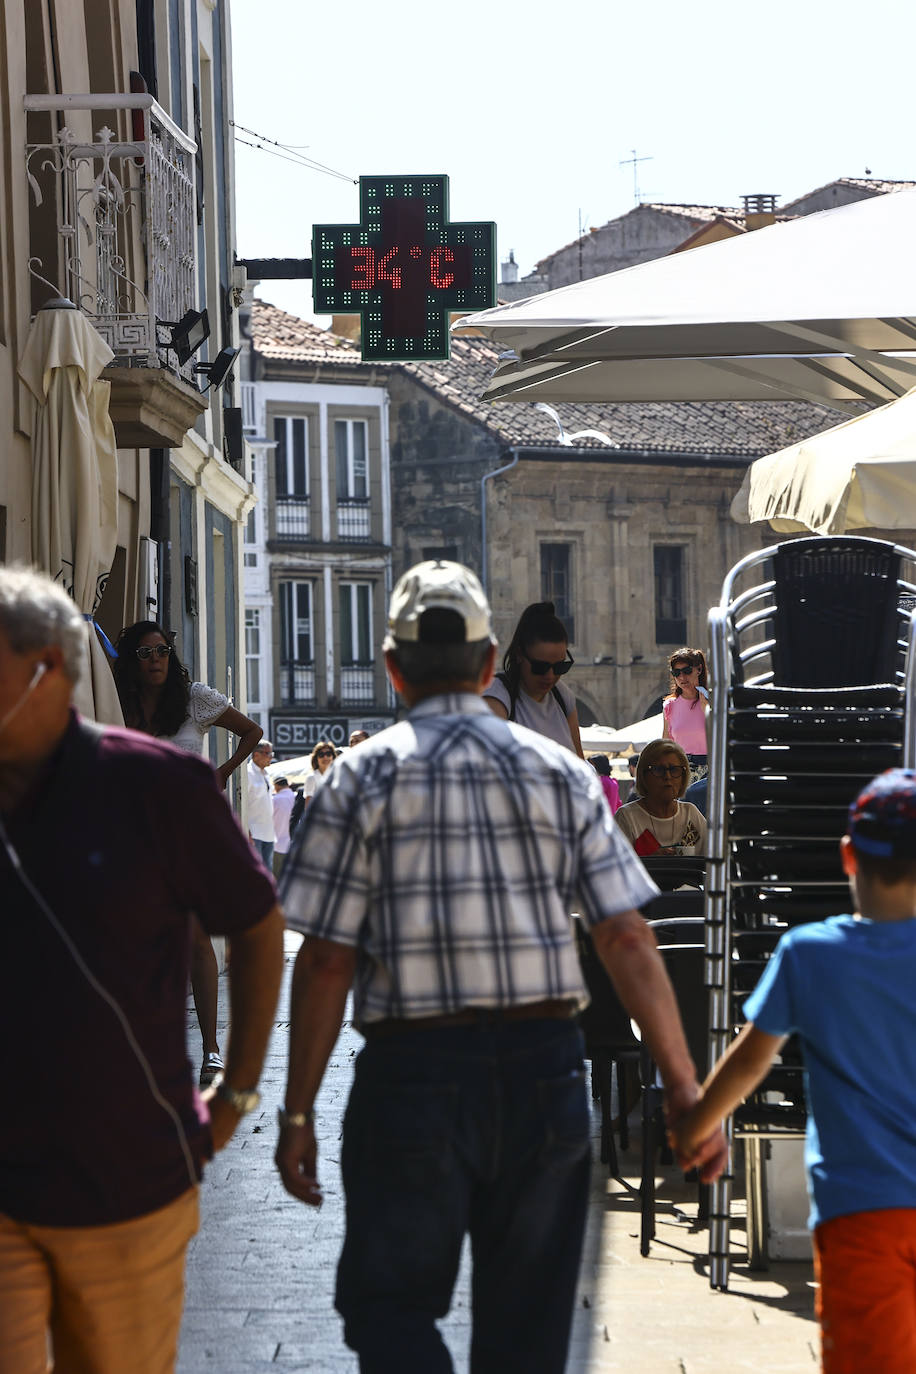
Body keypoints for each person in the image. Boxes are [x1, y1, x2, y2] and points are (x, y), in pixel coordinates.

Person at [275, 559, 724, 1374]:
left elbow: (326, 960)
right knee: (528, 1330)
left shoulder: (358, 781)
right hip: (542, 1073)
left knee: (390, 1308)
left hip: (411, 1072)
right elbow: (627, 936)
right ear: (490, 666)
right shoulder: (561, 776)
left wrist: (297, 1109)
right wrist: (685, 1086)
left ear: (392, 668)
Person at [0, 565, 284, 1374]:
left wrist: (236, 1094)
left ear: (48, 672)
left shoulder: (156, 783)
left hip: (125, 1176)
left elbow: (260, 927)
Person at [671, 768, 916, 1374]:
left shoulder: (810, 953)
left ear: (848, 856)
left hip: (862, 1212)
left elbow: (751, 1058)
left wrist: (696, 1125)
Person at [113, 619, 264, 1087]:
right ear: (130, 662)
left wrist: (222, 772)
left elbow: (252, 732)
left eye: (161, 650)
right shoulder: (117, 704)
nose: (155, 659)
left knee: (198, 941)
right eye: (144, 653)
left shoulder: (195, 699)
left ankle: (211, 1050)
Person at [482, 600, 585, 757]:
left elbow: (579, 762)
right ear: (519, 655)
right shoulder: (498, 695)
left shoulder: (563, 697)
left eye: (559, 667)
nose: (550, 676)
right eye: (540, 667)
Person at [615, 739, 707, 857]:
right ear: (644, 775)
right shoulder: (627, 817)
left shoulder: (690, 813)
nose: (667, 776)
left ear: (683, 777)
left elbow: (712, 857)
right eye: (659, 770)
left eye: (674, 770)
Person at [662, 648, 709, 783]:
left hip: (710, 771)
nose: (682, 677)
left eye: (687, 671)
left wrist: (707, 708)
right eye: (676, 673)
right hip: (680, 771)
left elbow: (722, 735)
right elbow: (666, 744)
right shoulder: (670, 705)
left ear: (699, 670)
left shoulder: (713, 701)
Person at [247, 739, 276, 869]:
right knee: (256, 873)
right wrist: (246, 831)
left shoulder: (266, 774)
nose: (271, 757)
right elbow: (243, 802)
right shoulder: (247, 773)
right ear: (256, 754)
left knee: (267, 874)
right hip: (254, 833)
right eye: (267, 753)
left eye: (271, 754)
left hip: (269, 833)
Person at [272, 775, 296, 877]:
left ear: (276, 786)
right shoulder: (297, 796)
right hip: (295, 845)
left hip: (278, 846)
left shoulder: (274, 800)